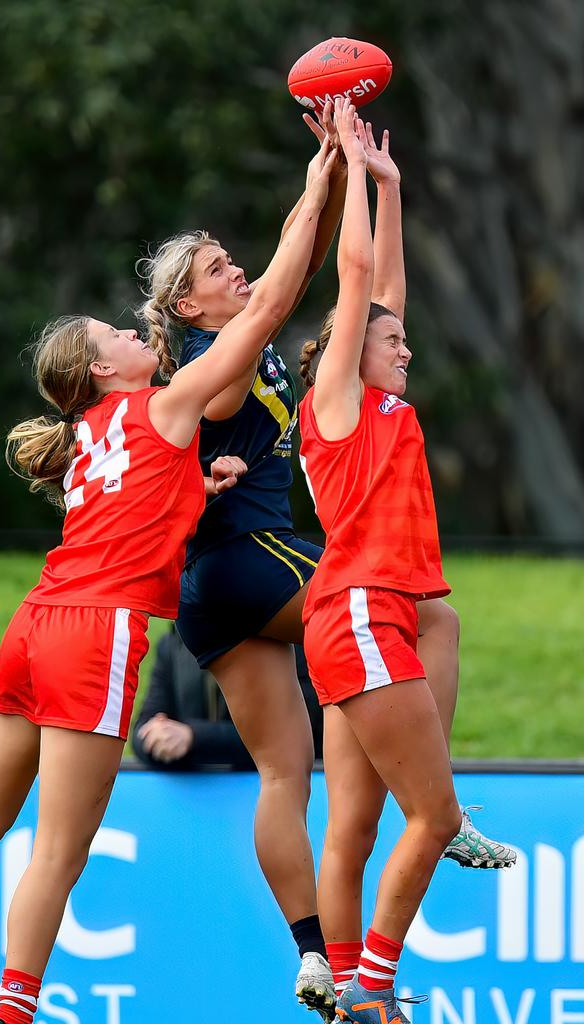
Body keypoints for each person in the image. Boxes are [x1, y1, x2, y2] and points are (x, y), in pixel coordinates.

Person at [0, 136, 338, 1024]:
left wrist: (196, 489)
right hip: (97, 632)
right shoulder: (164, 402)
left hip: (35, 622)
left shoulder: (87, 439)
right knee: (59, 851)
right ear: (102, 372)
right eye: (117, 335)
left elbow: (132, 507)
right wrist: (315, 188)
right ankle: (13, 1014)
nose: (133, 333)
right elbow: (270, 306)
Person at [138, 103, 514, 1022]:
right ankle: (436, 809)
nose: (240, 273)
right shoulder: (258, 366)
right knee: (417, 638)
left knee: (314, 792)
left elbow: (368, 290)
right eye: (215, 268)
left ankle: (323, 962)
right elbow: (333, 281)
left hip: (225, 590)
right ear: (188, 305)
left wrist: (377, 185)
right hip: (259, 564)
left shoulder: (318, 364)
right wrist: (331, 169)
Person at [298, 98, 468, 1024]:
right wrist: (353, 166)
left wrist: (392, 189)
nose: (405, 343)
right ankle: (372, 995)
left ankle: (347, 998)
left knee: (359, 825)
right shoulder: (341, 402)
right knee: (432, 822)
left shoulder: (381, 393)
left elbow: (384, 283)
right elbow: (358, 273)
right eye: (389, 338)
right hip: (359, 609)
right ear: (347, 354)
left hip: (380, 609)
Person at [133, 625, 323, 769]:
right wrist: (157, 738)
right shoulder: (173, 643)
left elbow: (292, 734)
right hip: (197, 797)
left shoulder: (287, 639)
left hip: (282, 784)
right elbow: (141, 729)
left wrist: (193, 738)